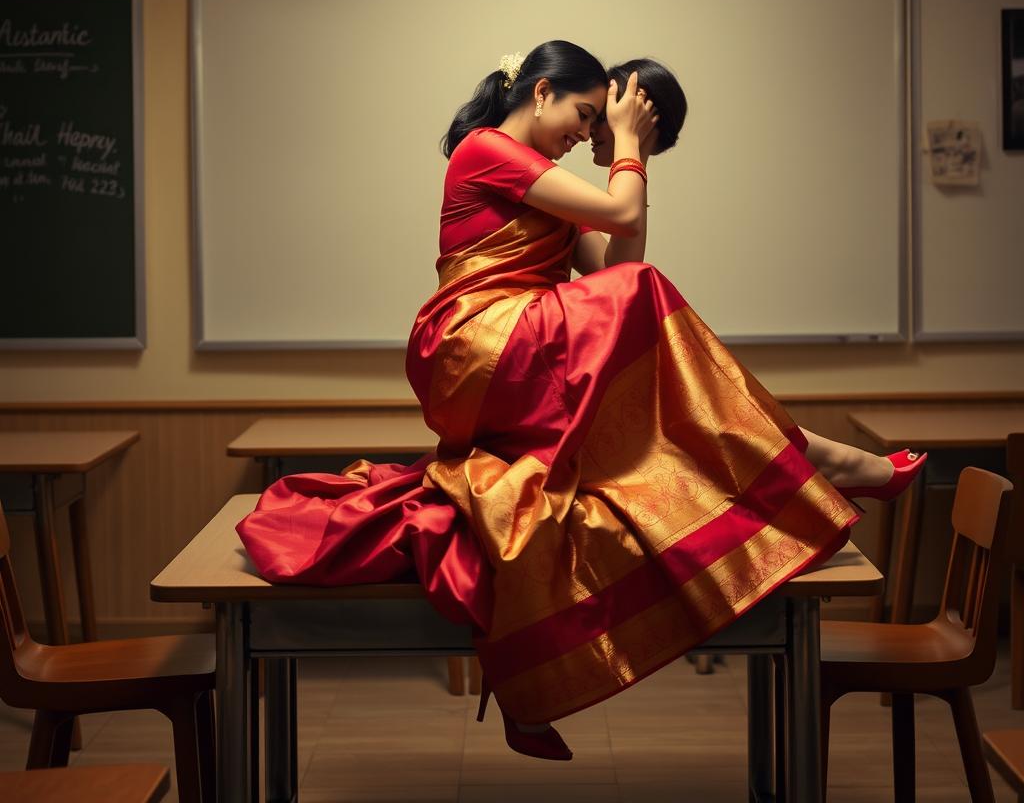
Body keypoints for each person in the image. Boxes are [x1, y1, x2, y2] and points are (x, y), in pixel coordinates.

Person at [236, 40, 924, 763]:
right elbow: (624, 233)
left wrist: (635, 156)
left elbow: (619, 266)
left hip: (515, 353)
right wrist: (627, 144)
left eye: (596, 121)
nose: (581, 133)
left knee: (653, 357)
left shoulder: (547, 189)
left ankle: (795, 454)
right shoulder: (485, 149)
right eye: (581, 115)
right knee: (648, 310)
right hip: (473, 345)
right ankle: (813, 454)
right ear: (539, 92)